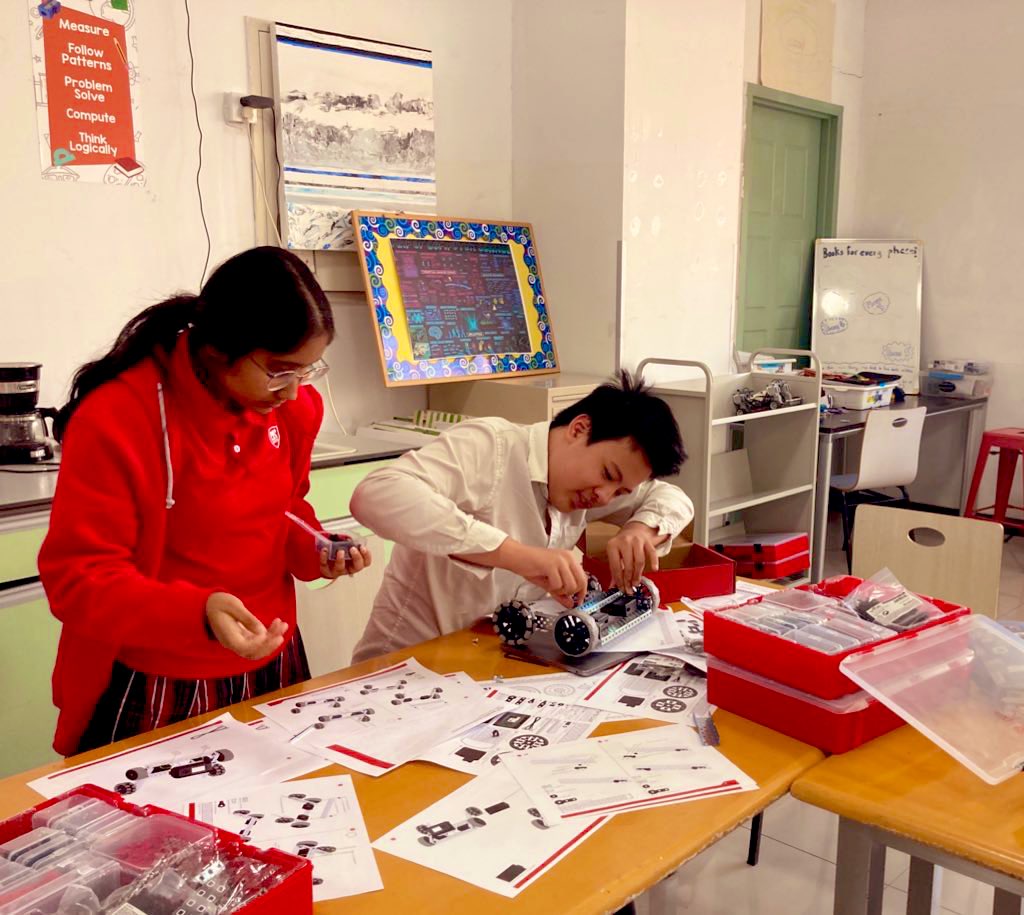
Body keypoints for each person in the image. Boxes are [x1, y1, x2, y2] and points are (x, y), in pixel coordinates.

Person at [39, 246, 371, 756]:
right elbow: (78, 576)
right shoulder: (120, 418)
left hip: (272, 658)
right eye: (280, 370)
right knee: (157, 828)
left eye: (308, 370)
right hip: (162, 673)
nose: (294, 390)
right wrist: (197, 611)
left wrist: (317, 547)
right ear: (218, 350)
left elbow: (284, 509)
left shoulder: (294, 409)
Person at [349, 371, 693, 661]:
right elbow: (376, 494)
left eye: (620, 492)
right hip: (407, 666)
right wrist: (514, 555)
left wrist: (640, 530)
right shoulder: (491, 446)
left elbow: (672, 498)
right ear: (579, 429)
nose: (603, 497)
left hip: (489, 668)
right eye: (607, 474)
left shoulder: (588, 491)